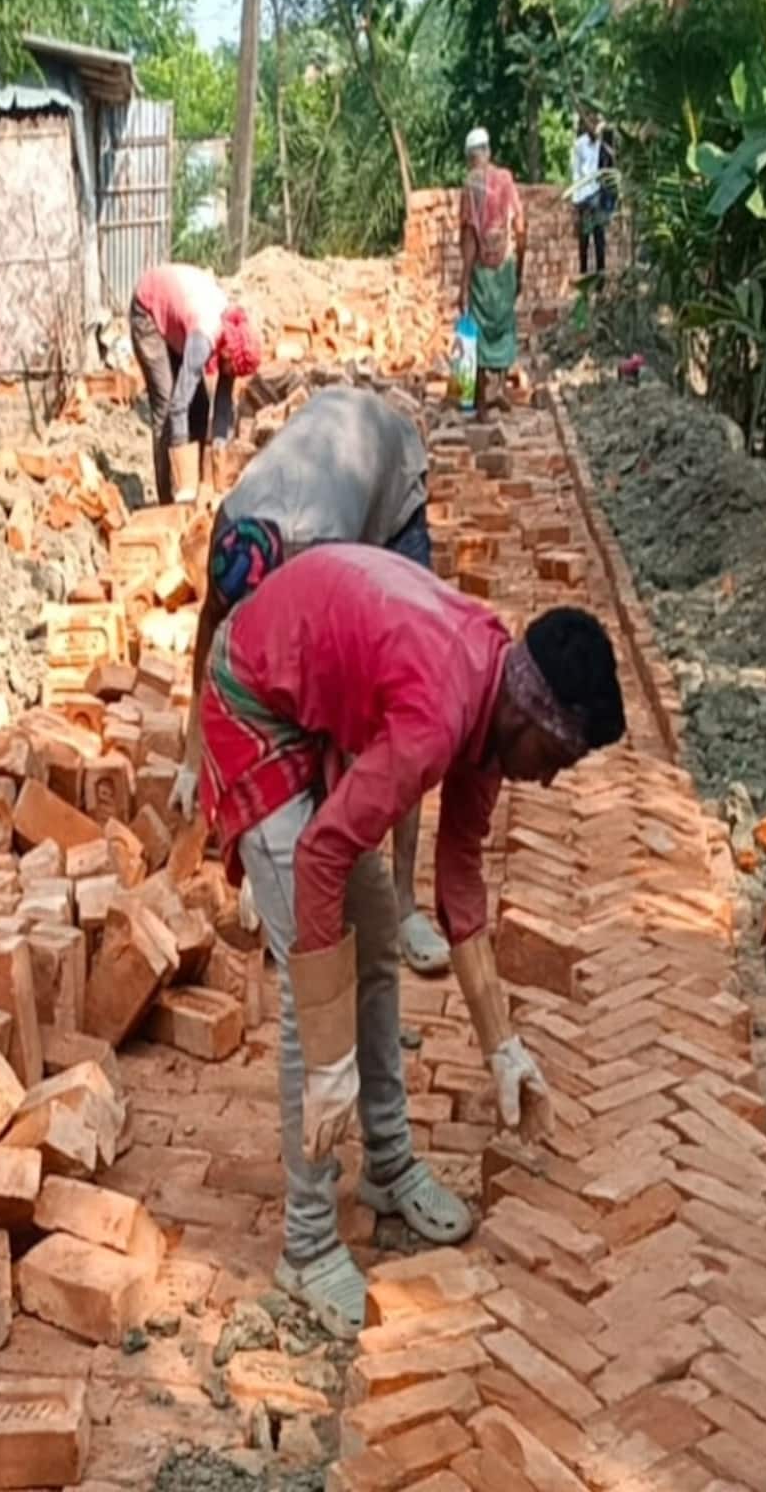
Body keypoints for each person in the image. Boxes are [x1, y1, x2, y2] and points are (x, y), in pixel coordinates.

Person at [196, 543, 628, 1334]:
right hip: (250, 705)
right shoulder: (440, 714)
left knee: (378, 933)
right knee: (313, 987)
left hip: (304, 702)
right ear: (533, 718)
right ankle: (306, 1243)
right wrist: (332, 1063)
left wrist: (504, 1046)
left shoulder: (495, 697)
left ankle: (388, 1165)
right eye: (560, 758)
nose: (555, 779)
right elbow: (323, 853)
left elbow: (459, 881)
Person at [170, 387, 454, 974]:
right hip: (322, 462)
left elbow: (339, 723)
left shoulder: (327, 569)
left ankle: (401, 904)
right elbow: (211, 640)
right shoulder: (233, 521)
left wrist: (305, 860)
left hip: (388, 472)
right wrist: (194, 757)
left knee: (404, 706)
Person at [129, 263, 262, 505]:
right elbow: (178, 405)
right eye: (231, 369)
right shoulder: (205, 337)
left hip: (180, 317)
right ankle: (169, 498)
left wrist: (220, 446)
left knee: (200, 404)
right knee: (167, 401)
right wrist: (183, 473)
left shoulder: (232, 342)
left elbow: (222, 401)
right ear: (228, 353)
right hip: (148, 308)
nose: (229, 375)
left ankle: (198, 481)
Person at [457, 128, 526, 413]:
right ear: (488, 152)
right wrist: (520, 267)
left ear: (469, 157)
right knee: (503, 325)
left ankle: (481, 398)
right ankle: (498, 391)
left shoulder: (471, 186)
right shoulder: (506, 180)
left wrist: (463, 283)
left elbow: (471, 237)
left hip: (484, 270)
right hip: (507, 265)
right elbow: (520, 226)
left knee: (481, 327)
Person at [571, 112, 607, 279]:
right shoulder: (579, 145)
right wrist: (575, 202)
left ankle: (600, 273)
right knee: (585, 237)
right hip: (585, 196)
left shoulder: (603, 144)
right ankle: (584, 272)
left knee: (599, 236)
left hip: (598, 195)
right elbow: (576, 174)